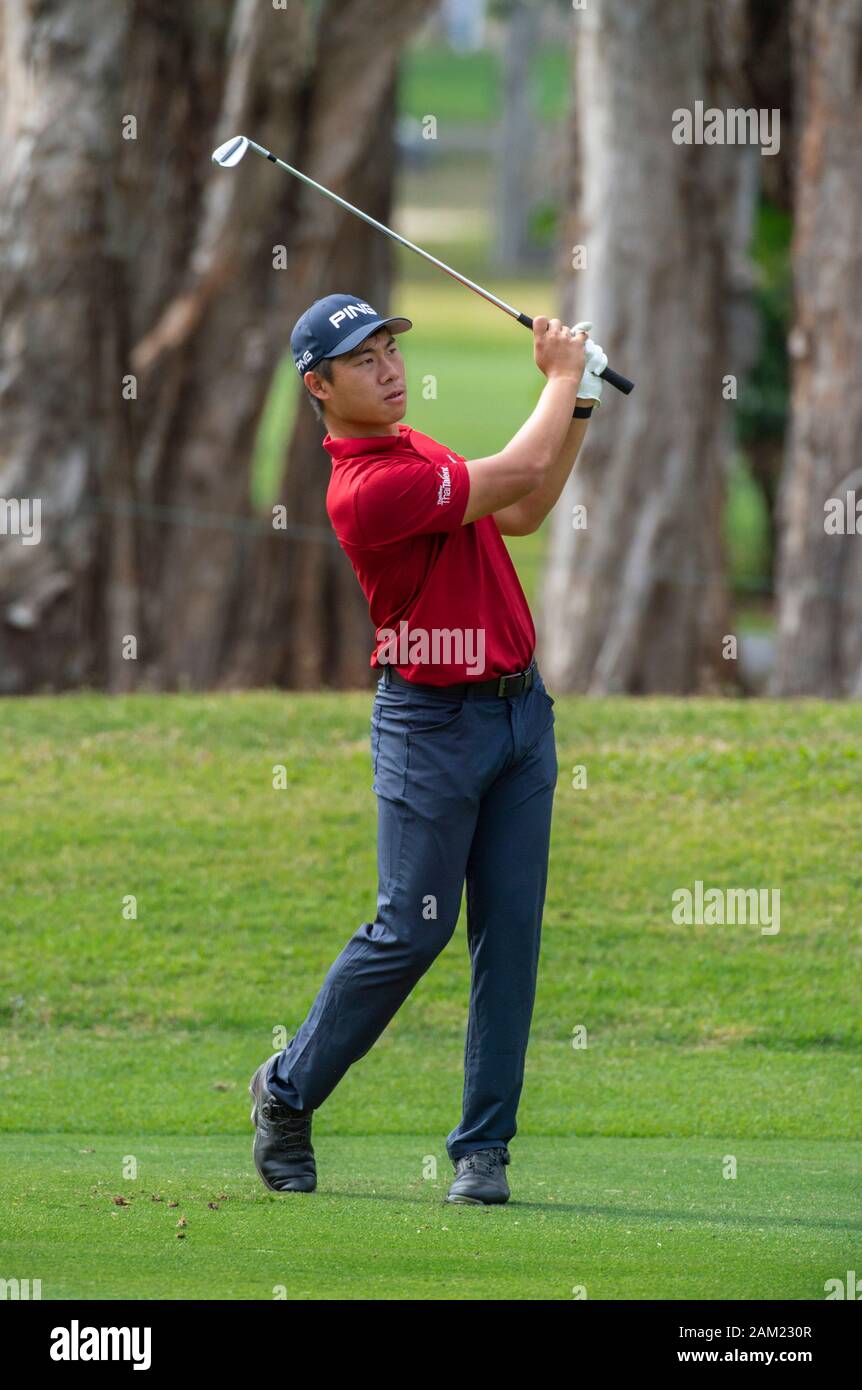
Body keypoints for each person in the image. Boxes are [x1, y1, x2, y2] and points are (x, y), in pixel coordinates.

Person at [249, 292, 607, 1204]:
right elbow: (518, 464)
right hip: (431, 728)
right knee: (413, 929)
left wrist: (582, 409)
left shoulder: (416, 451)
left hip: (521, 719)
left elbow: (520, 509)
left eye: (391, 350)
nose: (391, 368)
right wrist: (560, 379)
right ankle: (286, 1092)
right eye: (364, 360)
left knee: (510, 937)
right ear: (319, 387)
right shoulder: (367, 489)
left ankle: (482, 1153)